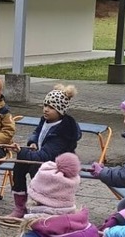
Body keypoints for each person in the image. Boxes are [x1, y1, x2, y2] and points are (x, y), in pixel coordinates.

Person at [7, 84, 81, 218]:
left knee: (37, 167)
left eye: (51, 107)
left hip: (57, 166)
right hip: (43, 158)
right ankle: (20, 206)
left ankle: (43, 205)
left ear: (61, 110)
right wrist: (33, 142)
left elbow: (45, 156)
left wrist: (21, 151)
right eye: (45, 105)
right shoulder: (45, 120)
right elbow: (37, 133)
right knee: (20, 165)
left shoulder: (63, 131)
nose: (46, 109)